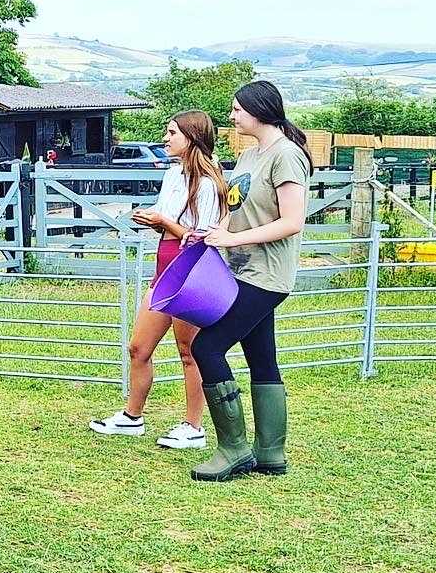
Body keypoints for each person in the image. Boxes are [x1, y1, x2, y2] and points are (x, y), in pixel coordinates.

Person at [188, 81, 312, 482]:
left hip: (266, 275)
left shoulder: (286, 156)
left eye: (237, 109)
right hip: (240, 269)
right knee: (262, 357)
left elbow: (292, 222)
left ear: (259, 110)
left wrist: (232, 239)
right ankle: (270, 453)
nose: (232, 116)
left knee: (207, 345)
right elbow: (236, 209)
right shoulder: (249, 155)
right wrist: (211, 232)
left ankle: (234, 448)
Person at [90, 111, 226, 448]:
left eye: (171, 133)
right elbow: (169, 225)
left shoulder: (208, 184)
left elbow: (201, 239)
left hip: (191, 273)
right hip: (164, 266)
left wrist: (163, 220)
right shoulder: (172, 175)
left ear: (191, 137)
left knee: (188, 351)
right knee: (139, 346)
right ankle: (132, 417)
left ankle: (193, 426)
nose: (165, 139)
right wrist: (154, 220)